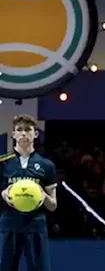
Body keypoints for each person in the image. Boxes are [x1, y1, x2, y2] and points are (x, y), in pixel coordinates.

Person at [0, 114, 57, 271]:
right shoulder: (2, 162)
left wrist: (43, 196)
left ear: (36, 134)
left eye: (28, 130)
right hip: (9, 223)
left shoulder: (47, 165)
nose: (23, 133)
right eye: (19, 130)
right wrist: (2, 193)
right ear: (13, 134)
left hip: (36, 224)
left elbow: (53, 206)